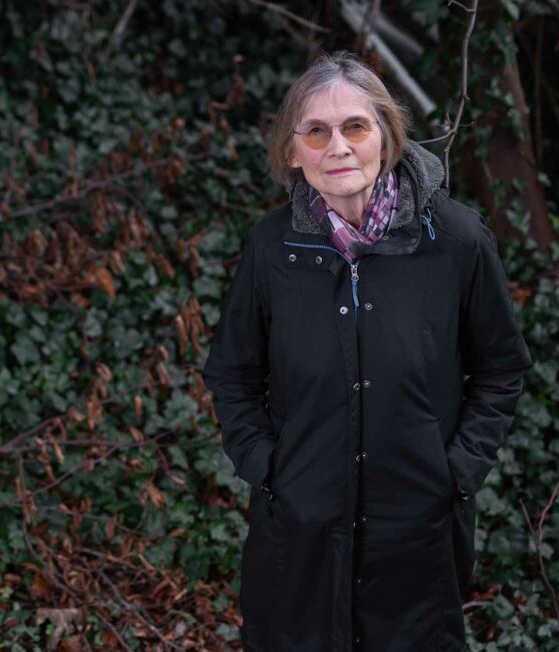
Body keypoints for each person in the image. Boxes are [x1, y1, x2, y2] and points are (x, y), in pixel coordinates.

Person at [201, 51, 533, 651]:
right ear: (293, 150)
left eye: (355, 126)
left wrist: (456, 472)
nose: (338, 147)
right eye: (316, 131)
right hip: (298, 535)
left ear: (387, 136)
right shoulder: (272, 249)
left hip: (417, 535)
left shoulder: (456, 240)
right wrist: (267, 467)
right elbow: (232, 371)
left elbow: (501, 366)